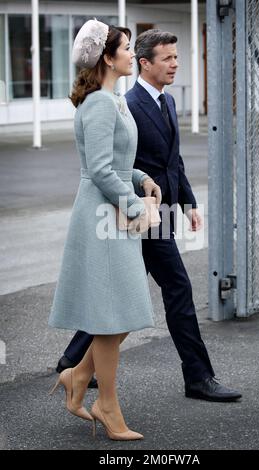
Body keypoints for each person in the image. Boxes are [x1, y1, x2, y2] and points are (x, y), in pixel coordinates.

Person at [55, 29, 242, 402]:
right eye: (168, 58)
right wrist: (140, 200)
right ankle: (198, 377)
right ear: (145, 62)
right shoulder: (124, 102)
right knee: (175, 288)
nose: (175, 64)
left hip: (158, 211)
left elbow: (174, 161)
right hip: (131, 214)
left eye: (176, 57)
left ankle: (70, 364)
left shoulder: (166, 103)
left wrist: (186, 204)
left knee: (118, 297)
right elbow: (111, 166)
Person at [48, 19, 162, 441]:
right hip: (103, 217)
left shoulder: (114, 101)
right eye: (127, 48)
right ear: (107, 57)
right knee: (114, 315)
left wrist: (141, 177)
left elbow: (113, 162)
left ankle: (78, 377)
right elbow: (96, 169)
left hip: (112, 212)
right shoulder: (99, 103)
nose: (133, 54)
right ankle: (105, 404)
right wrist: (135, 204)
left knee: (120, 313)